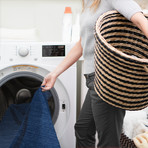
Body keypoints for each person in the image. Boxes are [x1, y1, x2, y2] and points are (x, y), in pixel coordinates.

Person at [41, 0, 148, 147]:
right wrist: (54, 73)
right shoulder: (88, 4)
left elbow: (141, 20)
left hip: (109, 79)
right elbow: (82, 44)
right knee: (83, 130)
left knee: (108, 141)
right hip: (94, 80)